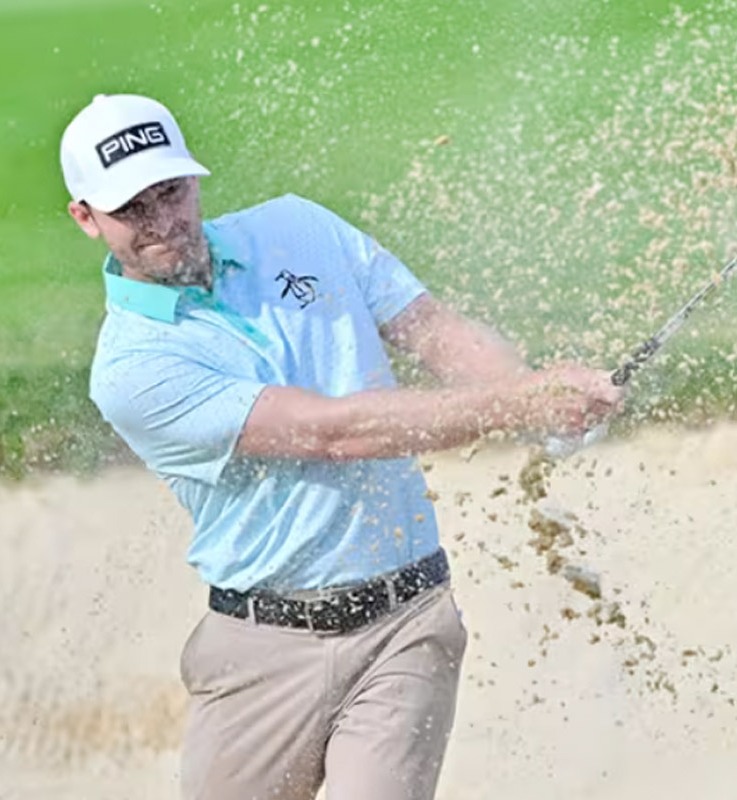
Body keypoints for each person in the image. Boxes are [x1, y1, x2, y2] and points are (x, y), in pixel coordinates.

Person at [59, 93, 623, 800]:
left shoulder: (298, 228)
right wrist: (518, 404)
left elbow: (433, 331)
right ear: (86, 217)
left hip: (407, 620)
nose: (163, 221)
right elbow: (334, 434)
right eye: (132, 208)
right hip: (260, 653)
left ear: (193, 178)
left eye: (171, 192)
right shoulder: (132, 369)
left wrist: (535, 400)